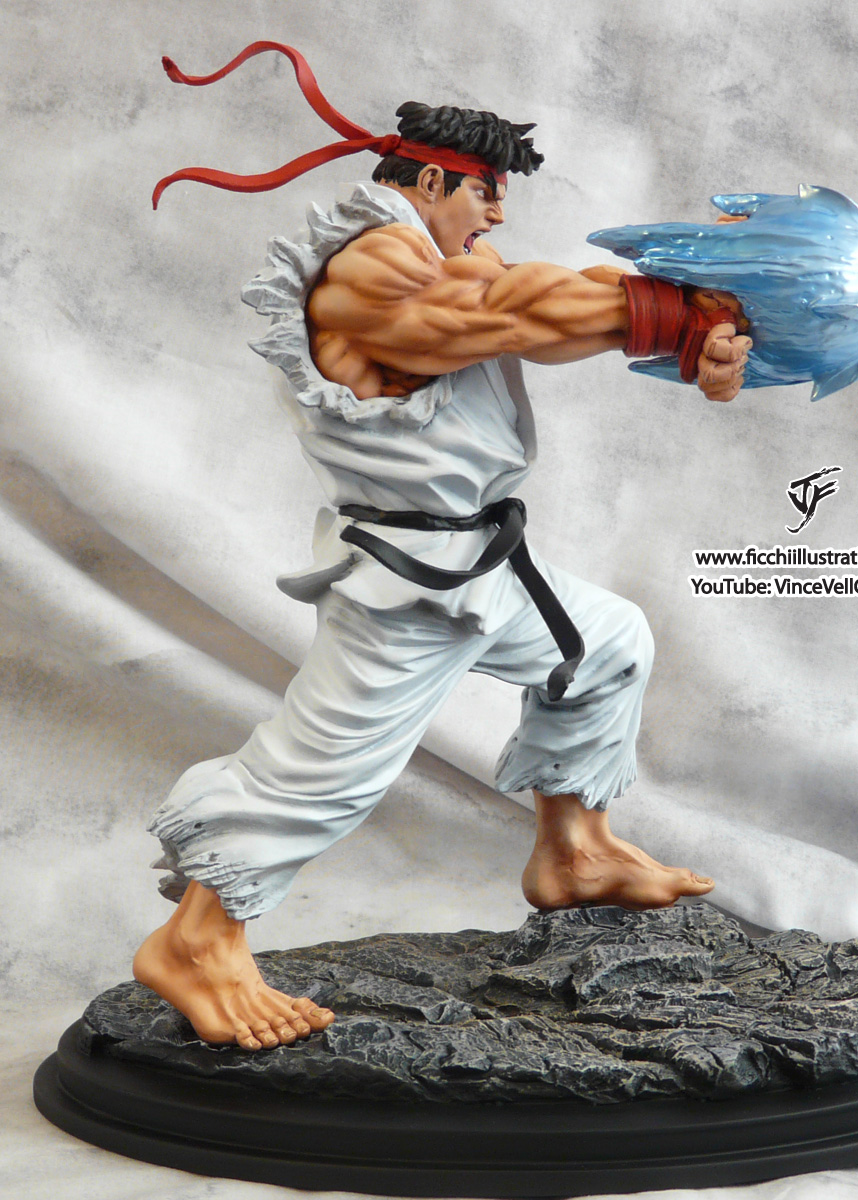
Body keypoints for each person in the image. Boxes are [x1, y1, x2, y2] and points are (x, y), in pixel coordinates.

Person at [134, 45, 751, 1051]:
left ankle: (574, 851)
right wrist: (672, 310)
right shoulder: (370, 268)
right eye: (484, 194)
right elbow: (502, 315)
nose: (495, 217)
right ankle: (197, 941)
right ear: (429, 181)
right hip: (406, 584)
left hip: (483, 565)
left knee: (605, 646)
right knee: (324, 775)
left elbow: (551, 311)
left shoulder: (439, 255)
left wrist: (692, 336)